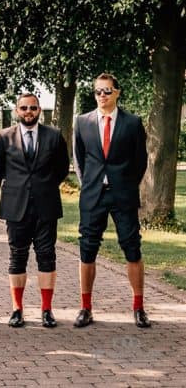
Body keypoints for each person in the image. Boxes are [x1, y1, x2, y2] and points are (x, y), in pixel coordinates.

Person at [73, 73, 150, 328]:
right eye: (98, 92)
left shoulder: (132, 123)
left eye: (107, 91)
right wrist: (89, 185)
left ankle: (138, 307)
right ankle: (86, 308)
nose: (102, 96)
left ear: (117, 92)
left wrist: (126, 184)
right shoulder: (82, 122)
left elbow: (140, 161)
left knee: (132, 247)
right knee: (87, 249)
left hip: (123, 195)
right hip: (93, 195)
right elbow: (80, 159)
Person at [0, 93, 69, 328]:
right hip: (16, 206)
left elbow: (62, 169)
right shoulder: (4, 137)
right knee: (17, 258)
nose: (29, 111)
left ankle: (47, 310)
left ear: (39, 111)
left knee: (46, 256)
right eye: (24, 107)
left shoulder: (54, 136)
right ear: (17, 110)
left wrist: (43, 186)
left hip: (46, 205)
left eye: (33, 107)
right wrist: (16, 188)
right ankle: (17, 310)